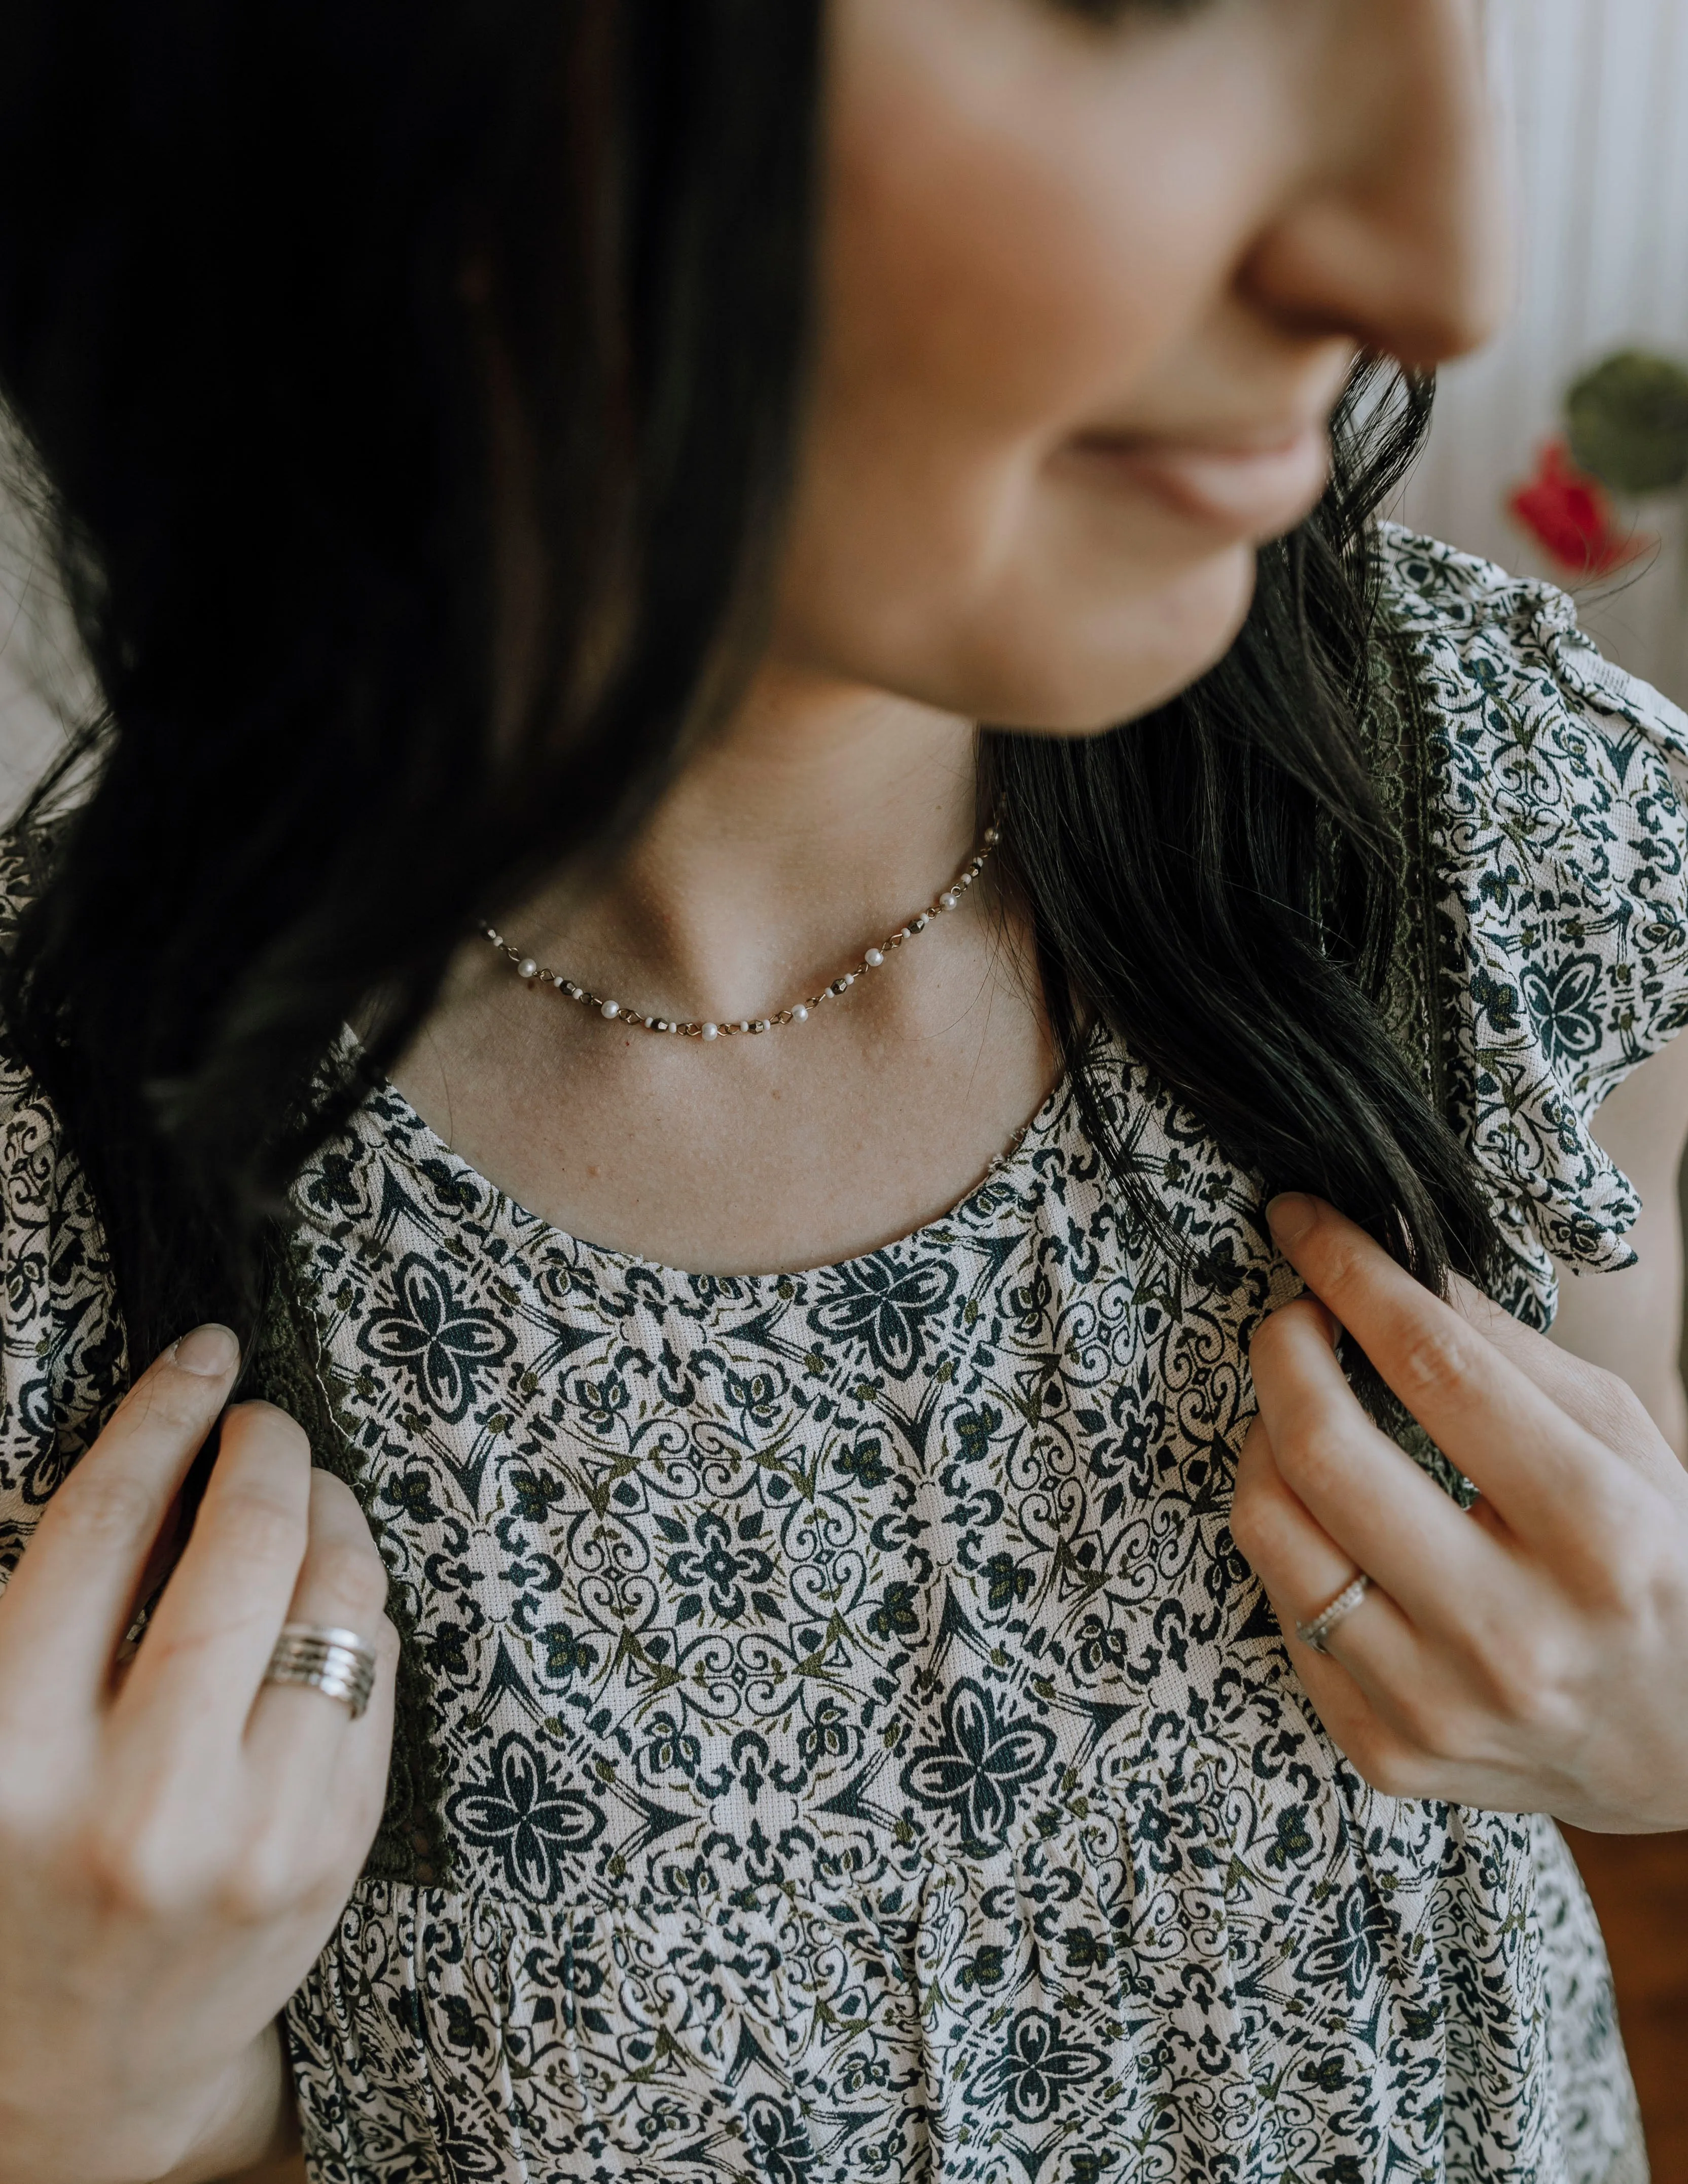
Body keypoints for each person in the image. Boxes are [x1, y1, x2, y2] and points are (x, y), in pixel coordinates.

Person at [1, 3, 1685, 2180]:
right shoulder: (46, 1177)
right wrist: (86, 2095)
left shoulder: (1498, 827)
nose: (1445, 267)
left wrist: (1661, 1735)